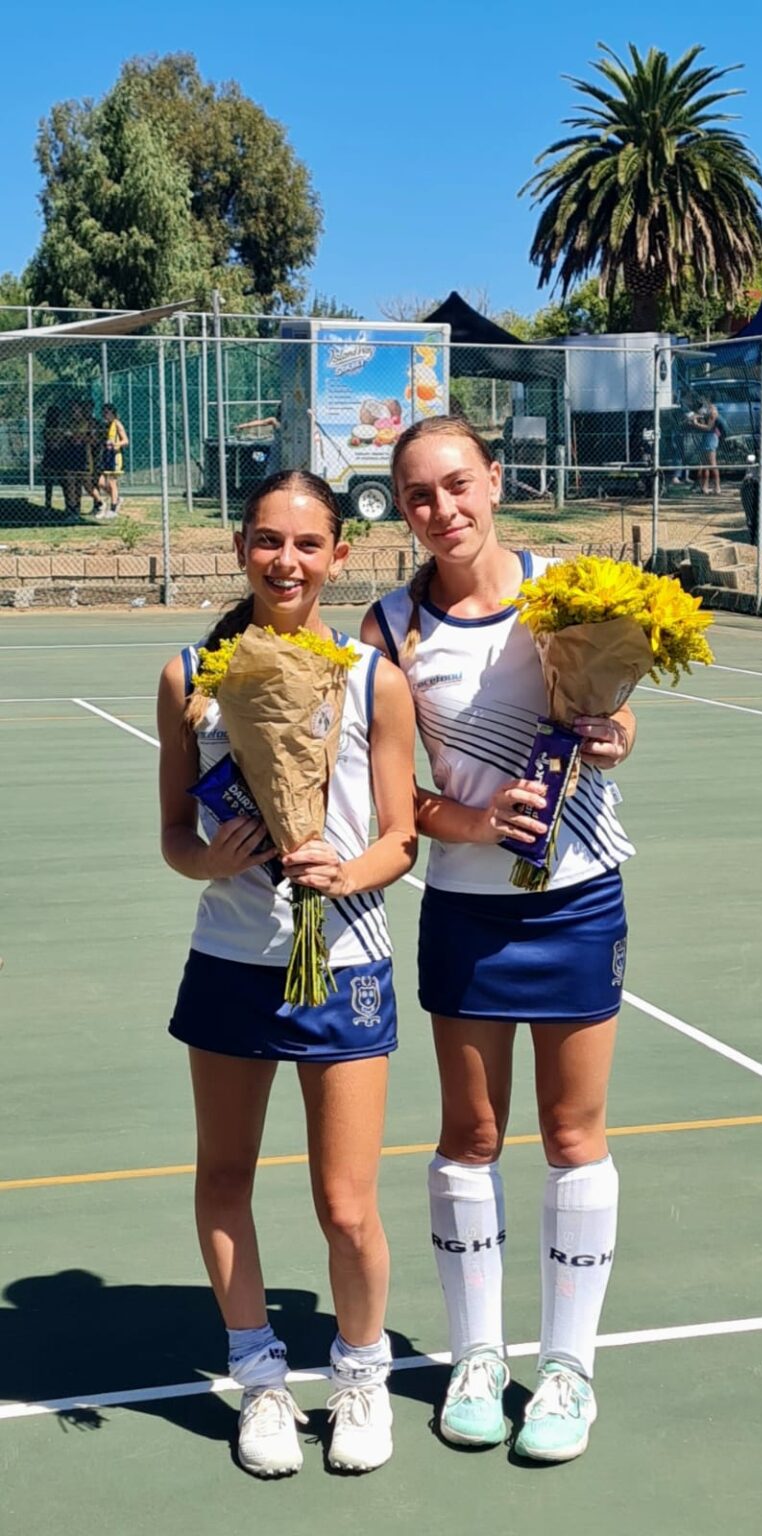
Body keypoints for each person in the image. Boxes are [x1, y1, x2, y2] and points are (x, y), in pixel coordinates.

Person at [361, 416, 636, 1464]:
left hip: (578, 899)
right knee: (471, 1136)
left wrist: (612, 734)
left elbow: (620, 721)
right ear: (403, 510)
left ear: (495, 480)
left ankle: (568, 1371)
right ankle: (476, 1358)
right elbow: (395, 799)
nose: (442, 510)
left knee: (572, 1136)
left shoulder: (568, 590)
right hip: (468, 911)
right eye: (418, 495)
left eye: (457, 484)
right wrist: (477, 824)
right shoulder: (390, 627)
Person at [157, 469, 417, 1478]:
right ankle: (259, 1377)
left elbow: (399, 837)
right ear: (240, 549)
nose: (287, 561)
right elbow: (175, 837)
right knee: (224, 1179)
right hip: (230, 961)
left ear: (340, 555)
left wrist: (344, 872)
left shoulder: (371, 677)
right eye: (268, 540)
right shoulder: (191, 675)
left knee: (346, 1205)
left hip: (345, 962)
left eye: (309, 544)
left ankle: (361, 1374)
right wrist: (207, 861)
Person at [96, 402, 129, 519]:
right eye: (103, 413)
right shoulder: (105, 425)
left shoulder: (117, 424)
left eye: (107, 412)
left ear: (113, 413)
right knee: (100, 481)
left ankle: (113, 509)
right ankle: (117, 498)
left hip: (115, 456)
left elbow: (126, 441)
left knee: (112, 482)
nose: (105, 415)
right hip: (106, 456)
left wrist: (115, 444)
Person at [690, 395, 721, 495]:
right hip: (705, 437)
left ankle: (717, 487)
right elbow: (703, 419)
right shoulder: (706, 410)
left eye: (705, 399)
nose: (703, 401)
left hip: (711, 437)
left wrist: (696, 424)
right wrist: (695, 418)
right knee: (704, 464)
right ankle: (704, 487)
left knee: (712, 463)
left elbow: (709, 427)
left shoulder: (713, 411)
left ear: (709, 400)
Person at [236, 413, 281, 477]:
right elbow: (262, 422)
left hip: (288, 449)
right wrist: (243, 426)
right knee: (273, 469)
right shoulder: (275, 421)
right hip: (277, 449)